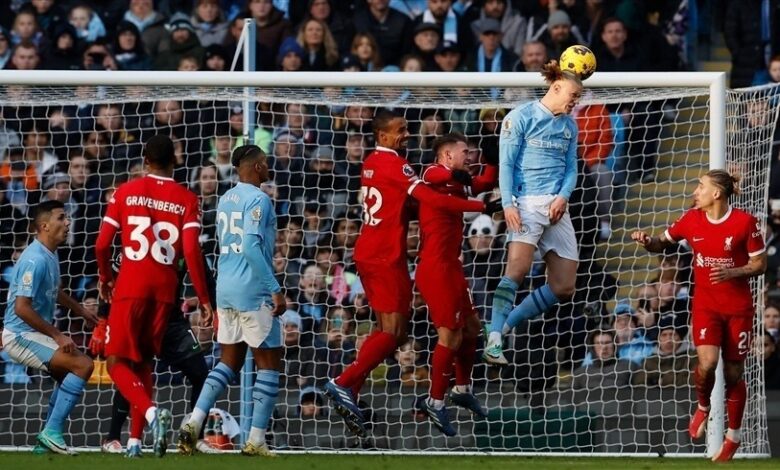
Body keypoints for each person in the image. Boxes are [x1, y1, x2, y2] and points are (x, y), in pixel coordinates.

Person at [323, 110, 498, 437]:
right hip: (387, 256)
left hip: (375, 252)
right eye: (400, 131)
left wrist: (486, 167)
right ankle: (343, 383)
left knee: (398, 331)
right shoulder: (401, 165)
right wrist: (483, 206)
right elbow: (429, 186)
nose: (406, 134)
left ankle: (353, 389)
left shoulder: (373, 163)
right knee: (394, 332)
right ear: (383, 136)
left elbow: (414, 200)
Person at [631, 169, 767, 462]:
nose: (695, 191)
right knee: (707, 364)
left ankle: (733, 436)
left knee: (732, 373)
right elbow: (662, 242)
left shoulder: (745, 223)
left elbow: (760, 264)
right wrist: (646, 241)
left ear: (716, 193)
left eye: (700, 186)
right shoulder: (690, 219)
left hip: (738, 309)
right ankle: (703, 407)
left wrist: (733, 271)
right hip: (706, 306)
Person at [94, 135, 213, 458]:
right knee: (143, 362)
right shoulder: (187, 198)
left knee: (116, 360)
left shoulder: (125, 192)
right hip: (164, 293)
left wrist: (105, 277)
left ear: (145, 160)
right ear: (175, 160)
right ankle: (134, 442)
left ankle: (149, 412)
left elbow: (102, 244)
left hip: (130, 287)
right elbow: (191, 250)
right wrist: (203, 299)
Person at [177, 145, 285, 457]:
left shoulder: (226, 198)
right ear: (258, 167)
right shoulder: (259, 199)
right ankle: (256, 440)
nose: (267, 168)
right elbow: (251, 246)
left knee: (229, 361)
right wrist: (275, 288)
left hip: (225, 288)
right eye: (264, 164)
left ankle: (193, 422)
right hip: (253, 290)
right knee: (269, 362)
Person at [484, 59, 581, 366]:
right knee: (517, 270)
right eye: (574, 96)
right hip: (525, 203)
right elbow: (507, 164)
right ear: (556, 87)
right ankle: (495, 340)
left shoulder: (569, 125)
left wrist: (563, 197)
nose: (576, 102)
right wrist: (508, 203)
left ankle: (503, 325)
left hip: (555, 207)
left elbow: (571, 168)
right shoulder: (520, 116)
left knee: (564, 286)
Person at [416, 132, 497, 435]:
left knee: (473, 328)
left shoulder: (457, 181)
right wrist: (464, 181)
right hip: (435, 269)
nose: (469, 156)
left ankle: (462, 388)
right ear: (448, 154)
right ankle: (435, 402)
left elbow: (486, 184)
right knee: (449, 336)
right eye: (465, 152)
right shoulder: (432, 174)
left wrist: (492, 160)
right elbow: (435, 173)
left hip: (452, 268)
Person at [1, 200, 98, 454]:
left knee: (68, 374)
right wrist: (57, 334)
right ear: (44, 225)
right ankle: (52, 432)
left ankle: (44, 447)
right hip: (19, 335)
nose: (67, 223)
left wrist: (81, 311)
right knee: (83, 365)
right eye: (61, 218)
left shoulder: (49, 253)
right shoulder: (35, 259)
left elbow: (55, 291)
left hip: (31, 333)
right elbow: (22, 308)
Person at [92, 253, 214, 455]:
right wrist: (103, 318)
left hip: (172, 320)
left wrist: (211, 307)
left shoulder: (186, 241)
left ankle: (194, 437)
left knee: (200, 373)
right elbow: (110, 277)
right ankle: (114, 437)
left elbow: (205, 275)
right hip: (141, 315)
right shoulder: (141, 236)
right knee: (133, 369)